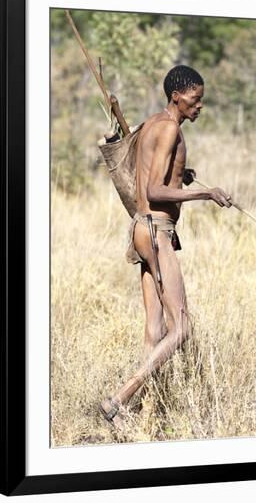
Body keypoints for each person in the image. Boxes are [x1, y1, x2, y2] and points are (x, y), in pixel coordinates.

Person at [99, 65, 232, 428]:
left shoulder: (153, 123)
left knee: (155, 328)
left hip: (142, 229)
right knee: (182, 327)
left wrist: (181, 173)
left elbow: (155, 173)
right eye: (196, 98)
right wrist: (206, 192)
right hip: (157, 231)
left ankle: (143, 413)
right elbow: (155, 191)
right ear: (177, 96)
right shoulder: (171, 128)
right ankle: (121, 396)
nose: (200, 105)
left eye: (201, 99)